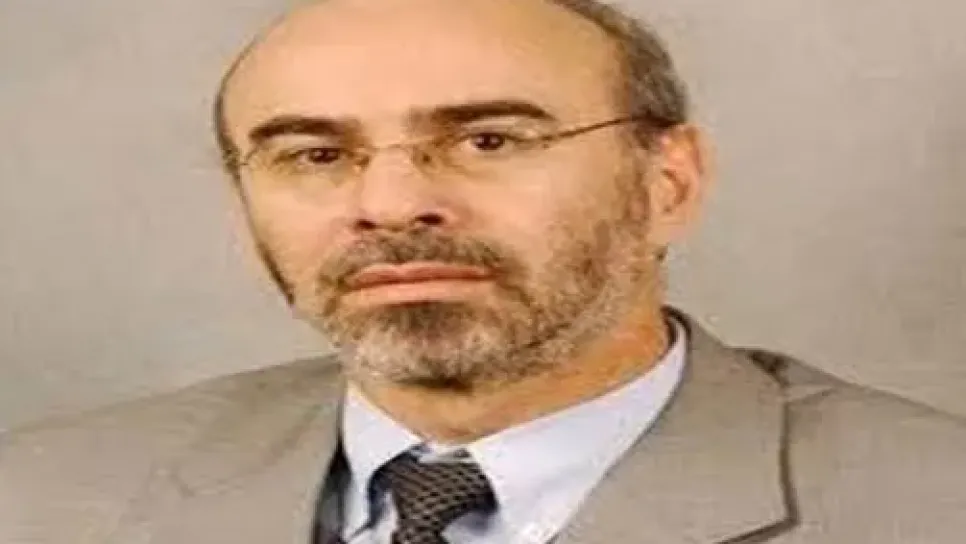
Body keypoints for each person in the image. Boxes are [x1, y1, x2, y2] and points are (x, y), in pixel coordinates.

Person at [3, 0, 965, 542]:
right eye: (315, 155)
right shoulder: (40, 497)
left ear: (667, 182)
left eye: (489, 139)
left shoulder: (930, 506)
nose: (390, 204)